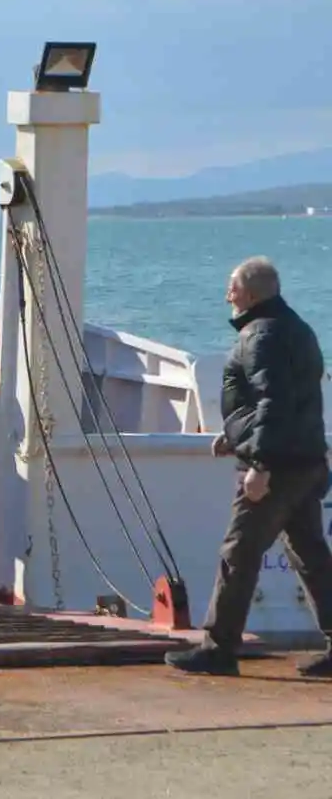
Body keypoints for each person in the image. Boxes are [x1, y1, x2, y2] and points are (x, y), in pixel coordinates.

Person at [167, 257, 332, 679]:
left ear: (253, 294)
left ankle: (218, 648)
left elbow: (272, 402)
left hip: (276, 466)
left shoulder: (261, 336)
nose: (228, 294)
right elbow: (291, 403)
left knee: (238, 553)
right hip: (306, 461)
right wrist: (238, 437)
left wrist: (259, 462)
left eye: (233, 288)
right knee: (311, 555)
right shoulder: (296, 329)